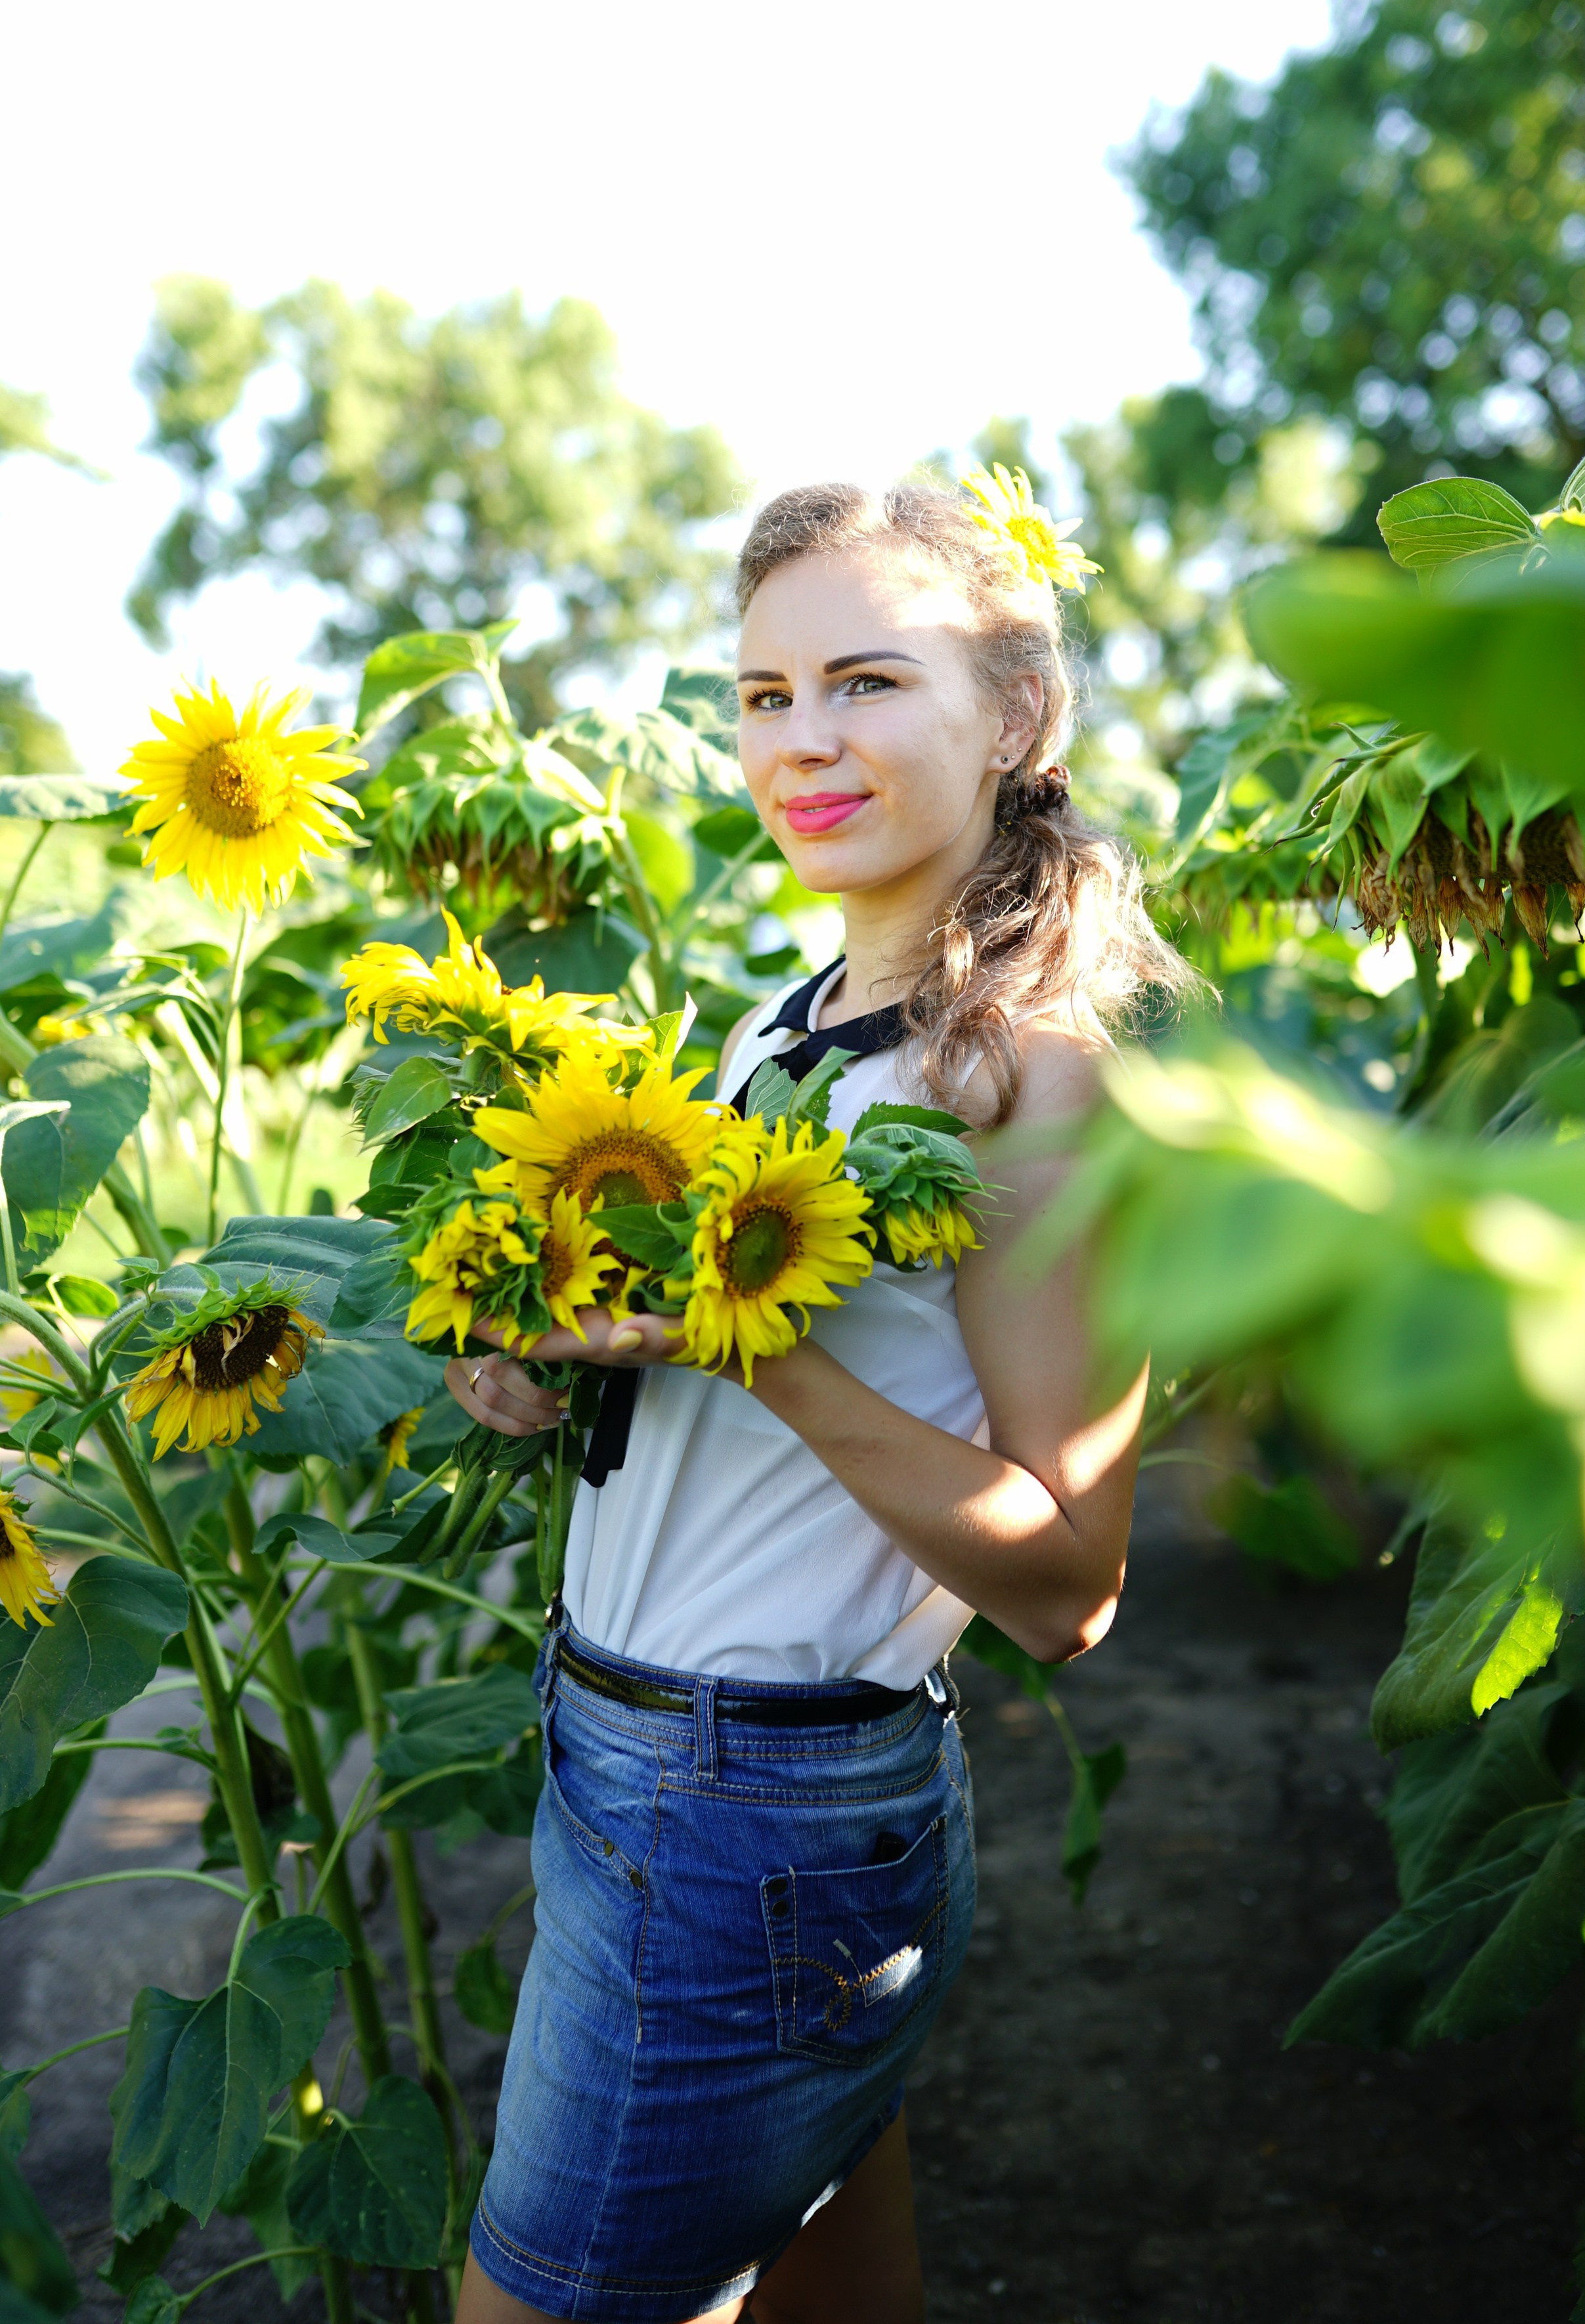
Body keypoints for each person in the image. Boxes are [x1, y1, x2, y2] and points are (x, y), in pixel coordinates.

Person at [450, 478, 1192, 2324]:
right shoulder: (775, 1025)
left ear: (1012, 715)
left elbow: (1069, 1582)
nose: (803, 742)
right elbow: (712, 1413)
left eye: (865, 681)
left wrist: (753, 1355)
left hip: (748, 1807)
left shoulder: (1026, 1079)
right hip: (637, 1756)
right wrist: (542, 1362)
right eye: (764, 694)